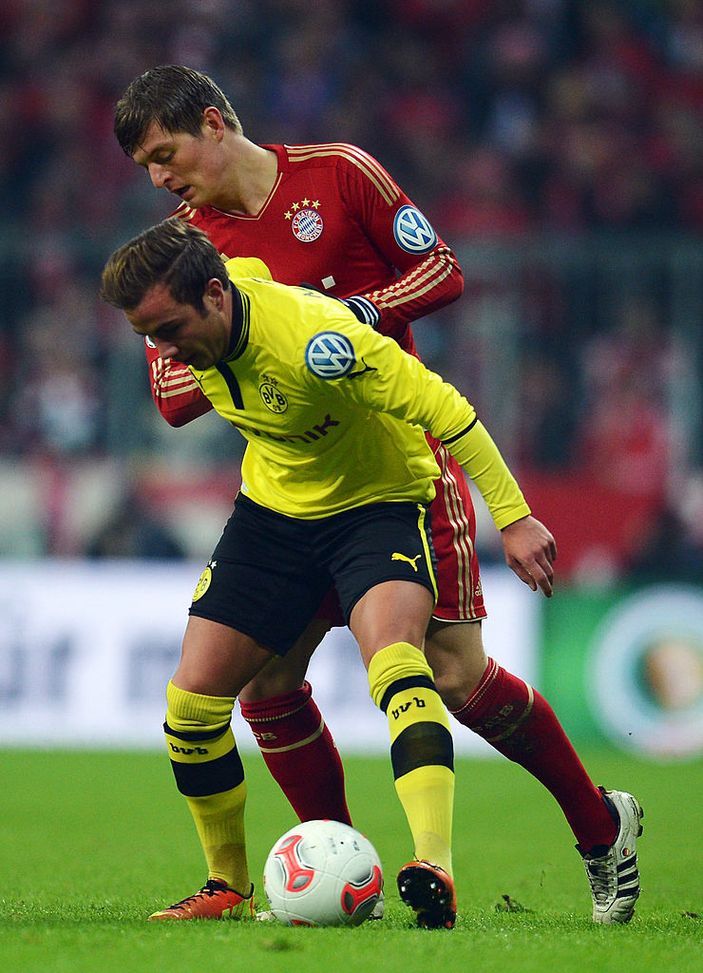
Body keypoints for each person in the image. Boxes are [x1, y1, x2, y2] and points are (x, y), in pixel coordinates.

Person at [112, 66, 643, 924]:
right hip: (291, 486)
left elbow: (441, 271)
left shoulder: (337, 173)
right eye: (145, 167)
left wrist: (345, 318)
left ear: (213, 122)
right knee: (266, 684)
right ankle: (339, 866)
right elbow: (172, 394)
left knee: (453, 675)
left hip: (398, 461)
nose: (159, 179)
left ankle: (599, 826)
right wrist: (248, 334)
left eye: (165, 155)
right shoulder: (185, 251)